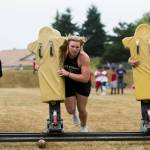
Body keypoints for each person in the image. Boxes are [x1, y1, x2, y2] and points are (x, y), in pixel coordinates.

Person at [57, 36, 91, 132]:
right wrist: (37, 64)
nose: (75, 49)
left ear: (80, 47)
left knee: (82, 109)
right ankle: (74, 114)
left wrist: (68, 73)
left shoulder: (83, 57)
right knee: (70, 110)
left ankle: (83, 127)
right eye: (72, 46)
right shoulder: (62, 54)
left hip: (82, 83)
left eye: (77, 47)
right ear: (67, 46)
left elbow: (85, 78)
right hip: (68, 82)